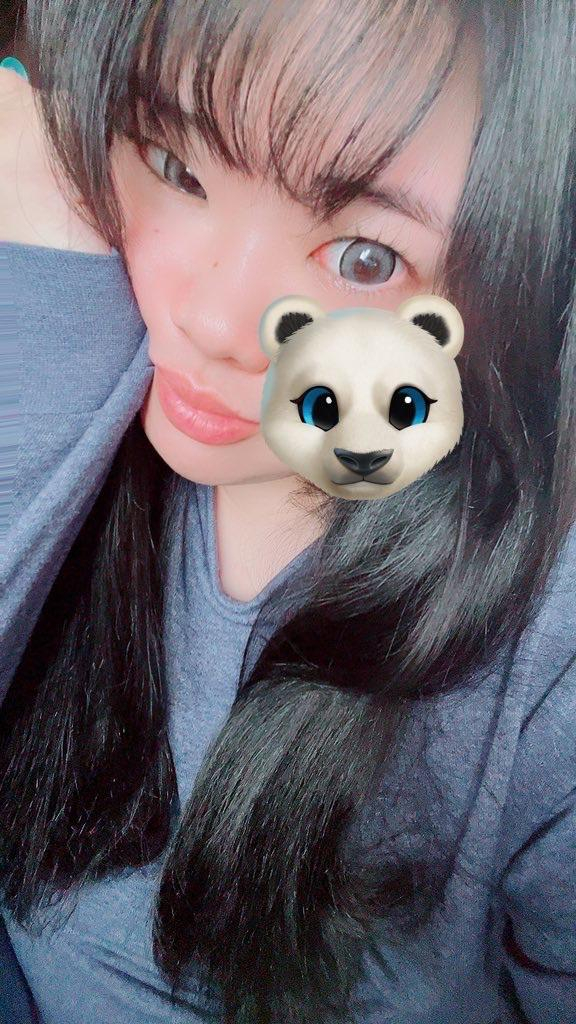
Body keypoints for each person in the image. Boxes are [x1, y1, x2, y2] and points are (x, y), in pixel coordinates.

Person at [0, 2, 575, 1022]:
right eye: (177, 167)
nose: (216, 320)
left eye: (366, 259)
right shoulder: (67, 366)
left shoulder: (546, 655)